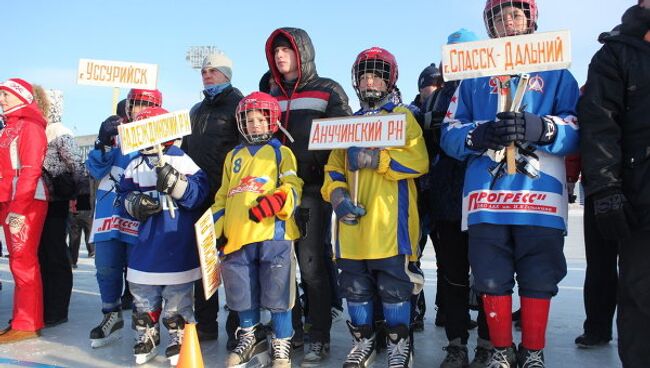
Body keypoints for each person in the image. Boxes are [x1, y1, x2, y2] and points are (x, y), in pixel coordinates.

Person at [440, 1, 580, 366]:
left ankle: (532, 350)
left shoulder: (557, 73)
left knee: (539, 276)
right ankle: (501, 350)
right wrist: (478, 134)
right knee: (489, 276)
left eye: (516, 14)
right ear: (490, 25)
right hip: (487, 198)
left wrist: (544, 128)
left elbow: (578, 126)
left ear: (531, 19)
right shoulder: (473, 74)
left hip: (541, 198)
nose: (508, 22)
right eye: (500, 16)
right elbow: (450, 132)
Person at [321, 47, 428, 368]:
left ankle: (399, 345)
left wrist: (377, 159)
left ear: (389, 81)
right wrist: (337, 196)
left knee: (394, 287)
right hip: (351, 227)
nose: (370, 81)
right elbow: (333, 169)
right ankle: (363, 342)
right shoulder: (347, 125)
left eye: (376, 76)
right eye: (364, 75)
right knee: (354, 286)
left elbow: (419, 161)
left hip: (389, 224)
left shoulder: (403, 118)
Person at [265, 27, 353, 366]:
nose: (280, 56)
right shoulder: (270, 92)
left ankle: (319, 336)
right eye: (276, 52)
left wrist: (320, 167)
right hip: (278, 191)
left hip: (313, 191)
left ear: (303, 52)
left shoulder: (327, 89)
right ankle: (294, 334)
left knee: (311, 266)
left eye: (287, 50)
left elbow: (345, 134)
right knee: (281, 267)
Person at [578, 2, 650, 366]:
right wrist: (605, 189)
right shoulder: (614, 55)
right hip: (639, 196)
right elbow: (599, 125)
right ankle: (599, 328)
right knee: (640, 291)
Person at [212, 92, 303, 368]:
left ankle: (281, 342)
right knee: (241, 292)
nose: (254, 125)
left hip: (273, 235)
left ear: (271, 122)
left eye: (259, 120)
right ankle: (250, 336)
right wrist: (219, 229)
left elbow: (293, 185)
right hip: (238, 238)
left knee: (278, 293)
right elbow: (222, 196)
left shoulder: (281, 152)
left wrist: (279, 200)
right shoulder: (233, 156)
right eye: (249, 120)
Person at [117, 106, 208, 365]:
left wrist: (179, 186)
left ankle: (179, 335)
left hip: (176, 242)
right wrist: (132, 202)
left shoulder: (180, 159)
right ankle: (148, 333)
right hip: (144, 244)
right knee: (143, 295)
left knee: (177, 298)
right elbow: (122, 195)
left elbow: (199, 192)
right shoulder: (134, 163)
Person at [86, 89, 163, 348]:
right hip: (110, 213)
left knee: (139, 273)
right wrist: (103, 142)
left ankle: (146, 322)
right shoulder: (117, 132)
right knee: (106, 267)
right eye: (134, 105)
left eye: (144, 105)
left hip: (140, 214)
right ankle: (111, 315)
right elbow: (95, 168)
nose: (137, 110)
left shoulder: (161, 137)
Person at [181, 51, 243, 346]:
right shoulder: (195, 110)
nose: (207, 74)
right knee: (205, 264)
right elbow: (184, 149)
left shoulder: (239, 105)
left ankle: (237, 327)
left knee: (233, 263)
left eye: (213, 70)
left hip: (229, 197)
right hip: (200, 198)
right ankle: (206, 324)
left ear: (226, 74)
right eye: (204, 71)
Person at [0, 78, 48, 343]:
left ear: (21, 96)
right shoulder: (9, 127)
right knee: (16, 262)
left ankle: (27, 323)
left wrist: (18, 209)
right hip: (10, 200)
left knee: (23, 262)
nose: (1, 99)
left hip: (26, 202)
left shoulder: (29, 127)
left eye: (6, 94)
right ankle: (21, 319)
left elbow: (30, 172)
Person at [37, 88, 84, 327]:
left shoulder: (58, 130)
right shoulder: (39, 129)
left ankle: (57, 308)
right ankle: (45, 305)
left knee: (55, 253)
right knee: (43, 254)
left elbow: (76, 164)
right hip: (39, 201)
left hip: (55, 201)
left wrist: (66, 190)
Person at [68, 169, 95, 268]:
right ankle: (91, 250)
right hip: (87, 208)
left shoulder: (73, 177)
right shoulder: (91, 178)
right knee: (89, 231)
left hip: (75, 208)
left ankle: (72, 260)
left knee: (74, 236)